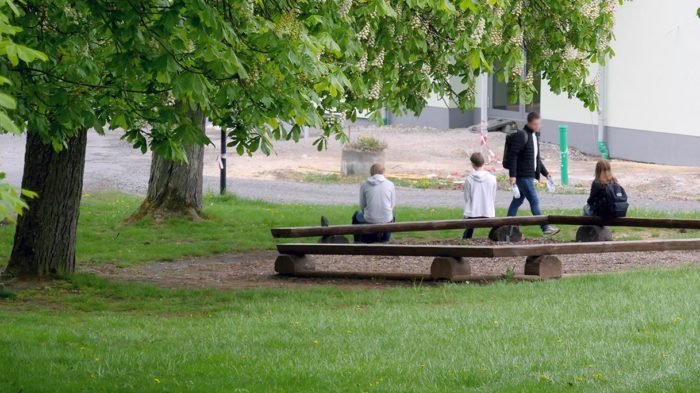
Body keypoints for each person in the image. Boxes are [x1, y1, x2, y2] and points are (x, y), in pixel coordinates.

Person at [506, 112, 560, 236]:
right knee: (534, 200)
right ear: (529, 123)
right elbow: (513, 155)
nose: (538, 126)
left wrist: (546, 173)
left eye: (539, 124)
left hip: (528, 175)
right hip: (523, 176)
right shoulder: (522, 135)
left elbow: (536, 159)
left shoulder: (534, 136)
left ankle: (507, 226)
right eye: (535, 124)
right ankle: (545, 228)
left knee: (517, 201)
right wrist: (512, 175)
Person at [352, 163, 396, 243]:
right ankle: (385, 240)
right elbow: (392, 204)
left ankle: (357, 241)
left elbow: (362, 205)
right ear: (383, 171)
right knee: (391, 215)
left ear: (371, 172)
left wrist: (369, 213)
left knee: (356, 215)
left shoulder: (364, 185)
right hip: (386, 218)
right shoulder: (390, 184)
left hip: (369, 217)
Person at [462, 152, 497, 240]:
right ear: (483, 163)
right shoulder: (492, 178)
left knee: (468, 229)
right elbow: (493, 195)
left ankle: (466, 239)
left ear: (472, 164)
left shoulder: (469, 179)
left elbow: (467, 197)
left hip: (473, 212)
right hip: (488, 211)